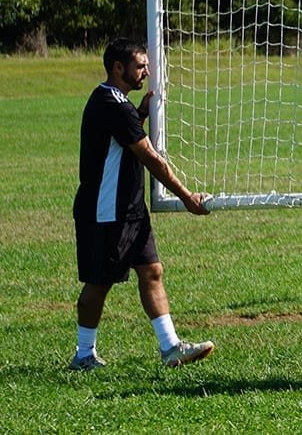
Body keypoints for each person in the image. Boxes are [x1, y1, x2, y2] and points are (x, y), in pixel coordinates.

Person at [70, 38, 215, 371]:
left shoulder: (118, 104)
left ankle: (171, 348)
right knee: (99, 283)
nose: (146, 72)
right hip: (107, 211)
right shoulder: (111, 104)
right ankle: (83, 354)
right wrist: (187, 197)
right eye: (140, 66)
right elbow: (151, 158)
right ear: (118, 68)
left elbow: (118, 141)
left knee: (152, 271)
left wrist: (140, 114)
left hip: (130, 208)